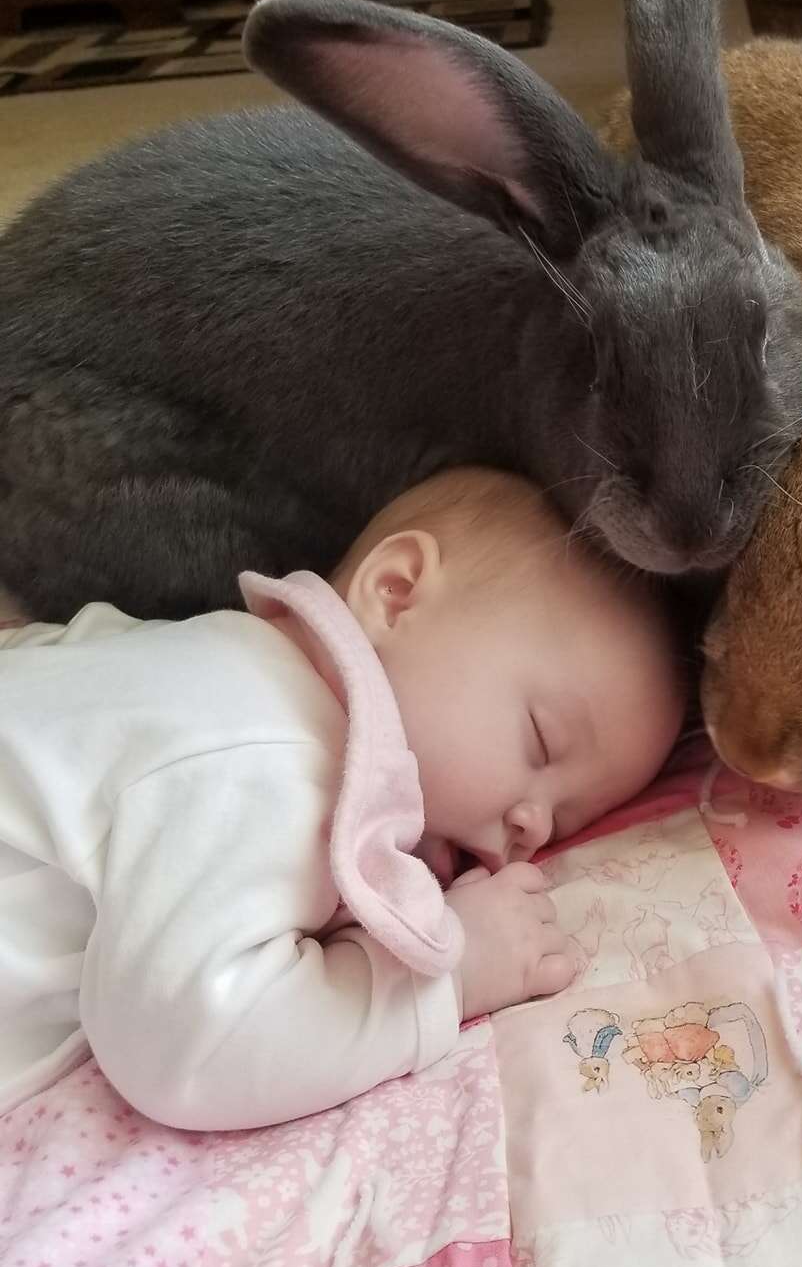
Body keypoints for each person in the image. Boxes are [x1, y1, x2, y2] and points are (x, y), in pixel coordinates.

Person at [0, 468, 685, 1130]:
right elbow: (188, 1046)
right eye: (540, 742)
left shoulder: (194, 659)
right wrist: (449, 976)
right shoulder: (266, 754)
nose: (532, 826)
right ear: (395, 593)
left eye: (570, 819)